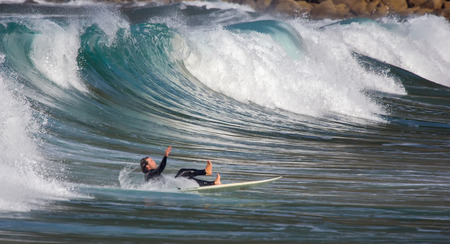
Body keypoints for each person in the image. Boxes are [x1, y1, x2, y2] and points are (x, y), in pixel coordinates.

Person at [140, 146, 221, 186]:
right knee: (183, 172)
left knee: (186, 178)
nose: (153, 161)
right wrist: (165, 156)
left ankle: (213, 183)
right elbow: (160, 168)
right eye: (151, 161)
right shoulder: (150, 174)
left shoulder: (149, 175)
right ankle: (206, 172)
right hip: (172, 189)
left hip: (172, 187)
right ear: (147, 166)